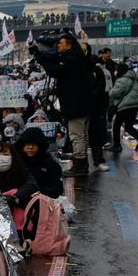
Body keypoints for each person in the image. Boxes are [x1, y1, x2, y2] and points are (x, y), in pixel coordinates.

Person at [30, 32, 96, 176]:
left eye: (60, 43)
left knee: (76, 135)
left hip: (76, 105)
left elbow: (55, 71)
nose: (57, 45)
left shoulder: (72, 59)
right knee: (82, 135)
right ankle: (81, 161)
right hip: (82, 104)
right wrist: (41, 54)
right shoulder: (75, 56)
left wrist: (41, 58)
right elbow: (55, 61)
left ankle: (80, 165)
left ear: (69, 45)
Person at [12, 127, 63, 200]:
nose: (30, 147)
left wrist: (39, 192)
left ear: (40, 146)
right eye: (27, 144)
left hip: (41, 201)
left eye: (34, 144)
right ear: (22, 145)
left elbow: (57, 188)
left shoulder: (49, 164)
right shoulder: (15, 162)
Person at [108, 63, 138, 156]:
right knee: (128, 126)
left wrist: (110, 92)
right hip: (134, 105)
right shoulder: (133, 78)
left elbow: (116, 93)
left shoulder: (122, 79)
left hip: (125, 105)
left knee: (116, 125)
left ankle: (117, 146)